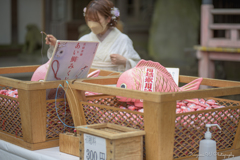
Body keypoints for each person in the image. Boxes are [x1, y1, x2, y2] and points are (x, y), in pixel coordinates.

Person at [45, 0, 141, 72]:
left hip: (112, 87)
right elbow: (71, 62)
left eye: (96, 20)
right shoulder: (84, 39)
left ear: (108, 19)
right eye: (89, 20)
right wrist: (57, 46)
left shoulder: (122, 40)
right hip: (88, 86)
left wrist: (125, 62)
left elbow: (138, 66)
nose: (92, 24)